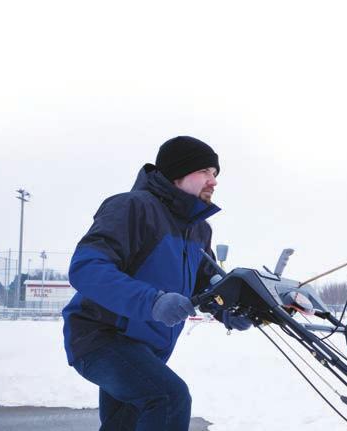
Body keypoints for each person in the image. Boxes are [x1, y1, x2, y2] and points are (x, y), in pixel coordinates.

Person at [62, 136, 251, 431]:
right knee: (168, 398)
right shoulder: (132, 207)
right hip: (101, 337)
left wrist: (229, 310)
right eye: (205, 172)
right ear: (178, 173)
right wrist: (153, 301)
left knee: (125, 423)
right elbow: (86, 268)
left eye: (215, 174)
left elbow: (206, 285)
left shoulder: (199, 229)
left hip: (146, 348)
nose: (213, 181)